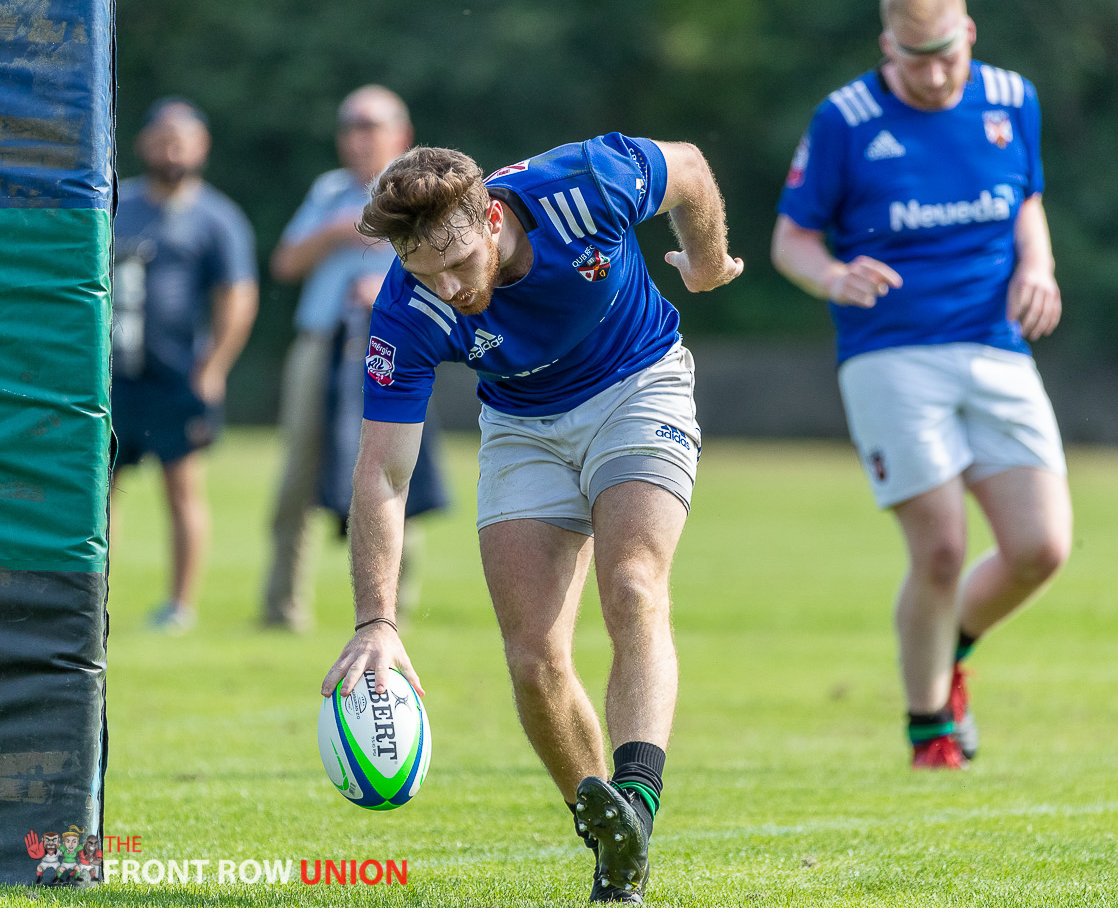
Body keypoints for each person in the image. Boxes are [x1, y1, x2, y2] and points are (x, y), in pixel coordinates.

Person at [321, 134, 742, 902]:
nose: (448, 287)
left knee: (634, 586)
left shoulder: (584, 187)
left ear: (490, 220)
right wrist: (374, 620)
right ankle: (609, 837)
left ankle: (637, 802)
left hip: (636, 384)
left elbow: (686, 164)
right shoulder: (406, 308)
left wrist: (707, 260)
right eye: (426, 271)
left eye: (458, 262)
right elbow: (382, 472)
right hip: (521, 426)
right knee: (532, 656)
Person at [771, 0, 1073, 769]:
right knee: (941, 547)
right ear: (886, 47)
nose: (935, 74)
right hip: (890, 350)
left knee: (1042, 546)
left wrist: (1036, 268)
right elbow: (790, 239)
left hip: (996, 343)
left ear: (968, 34)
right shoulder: (846, 117)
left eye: (946, 54)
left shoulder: (1013, 98)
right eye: (915, 59)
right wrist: (834, 276)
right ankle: (930, 726)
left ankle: (949, 651)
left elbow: (1027, 203)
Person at [261, 84, 428, 631]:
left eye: (369, 125)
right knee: (296, 479)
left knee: (396, 471)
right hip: (319, 343)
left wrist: (383, 285)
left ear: (399, 134)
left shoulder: (421, 190)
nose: (357, 138)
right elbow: (285, 263)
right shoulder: (330, 190)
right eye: (349, 126)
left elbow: (451, 268)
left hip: (391, 348)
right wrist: (338, 231)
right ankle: (283, 611)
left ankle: (393, 612)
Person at [112, 97, 258, 634]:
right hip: (111, 376)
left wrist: (214, 365)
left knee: (182, 487)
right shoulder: (115, 199)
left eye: (183, 139)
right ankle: (93, 596)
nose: (171, 149)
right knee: (98, 491)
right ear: (143, 143)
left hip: (178, 376)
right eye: (161, 138)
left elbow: (238, 295)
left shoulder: (216, 217)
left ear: (202, 147)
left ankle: (178, 606)